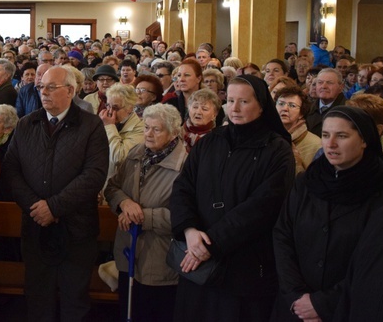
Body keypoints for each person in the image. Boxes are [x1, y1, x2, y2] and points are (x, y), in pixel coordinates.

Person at [170, 75, 295, 322]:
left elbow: (263, 206)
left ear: (261, 105)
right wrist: (189, 230)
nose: (235, 108)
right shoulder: (211, 141)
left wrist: (209, 244)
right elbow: (183, 187)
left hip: (244, 264)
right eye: (230, 100)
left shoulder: (277, 149)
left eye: (244, 102)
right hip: (198, 258)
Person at [271, 106, 383, 321]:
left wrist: (322, 303)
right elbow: (283, 235)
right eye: (325, 135)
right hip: (293, 306)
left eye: (342, 136)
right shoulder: (307, 182)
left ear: (364, 140)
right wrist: (295, 295)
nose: (330, 144)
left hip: (345, 309)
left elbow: (377, 266)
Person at [2, 66, 109, 321]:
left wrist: (54, 207)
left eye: (52, 87)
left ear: (71, 91)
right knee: (38, 299)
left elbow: (94, 175)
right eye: (41, 87)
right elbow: (11, 170)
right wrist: (36, 207)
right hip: (36, 228)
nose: (43, 92)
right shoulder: (28, 123)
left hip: (76, 230)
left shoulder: (90, 125)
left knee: (75, 301)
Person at [104, 104, 188, 322]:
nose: (148, 134)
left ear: (173, 133)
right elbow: (112, 187)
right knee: (128, 312)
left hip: (159, 259)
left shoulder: (185, 166)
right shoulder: (136, 153)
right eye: (146, 127)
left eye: (156, 129)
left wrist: (141, 216)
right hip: (128, 253)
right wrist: (124, 203)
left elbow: (185, 216)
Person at [101, 84, 144, 182]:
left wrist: (109, 127)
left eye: (115, 108)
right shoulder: (105, 123)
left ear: (130, 108)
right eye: (108, 105)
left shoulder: (140, 128)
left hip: (121, 184)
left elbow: (118, 158)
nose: (110, 112)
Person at [275, 85, 321, 172]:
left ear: (301, 114)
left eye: (292, 105)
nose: (285, 109)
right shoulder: (266, 137)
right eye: (281, 104)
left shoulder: (315, 145)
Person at [182, 88, 221, 153]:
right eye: (195, 107)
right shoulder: (177, 134)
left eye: (204, 109)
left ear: (214, 115)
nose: (198, 112)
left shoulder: (217, 140)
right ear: (189, 110)